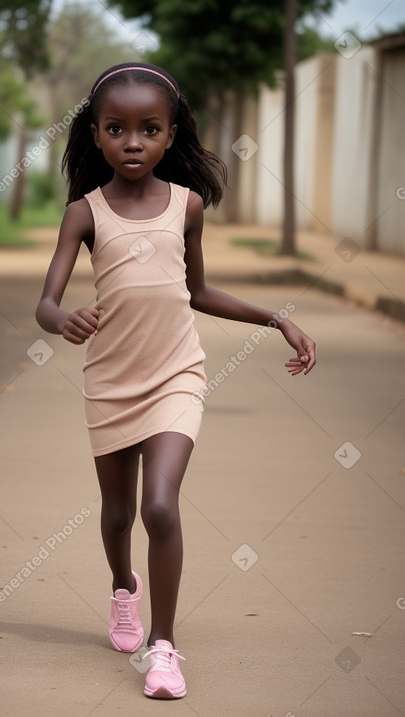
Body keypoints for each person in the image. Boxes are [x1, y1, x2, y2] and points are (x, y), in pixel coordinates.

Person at [35, 62, 316, 700]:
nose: (132, 142)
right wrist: (61, 319)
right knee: (117, 513)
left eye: (148, 129)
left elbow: (198, 292)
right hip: (110, 379)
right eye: (117, 129)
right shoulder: (85, 213)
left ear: (170, 136)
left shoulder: (187, 205)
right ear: (97, 136)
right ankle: (121, 591)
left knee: (160, 506)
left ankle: (164, 649)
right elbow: (45, 303)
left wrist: (277, 318)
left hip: (175, 376)